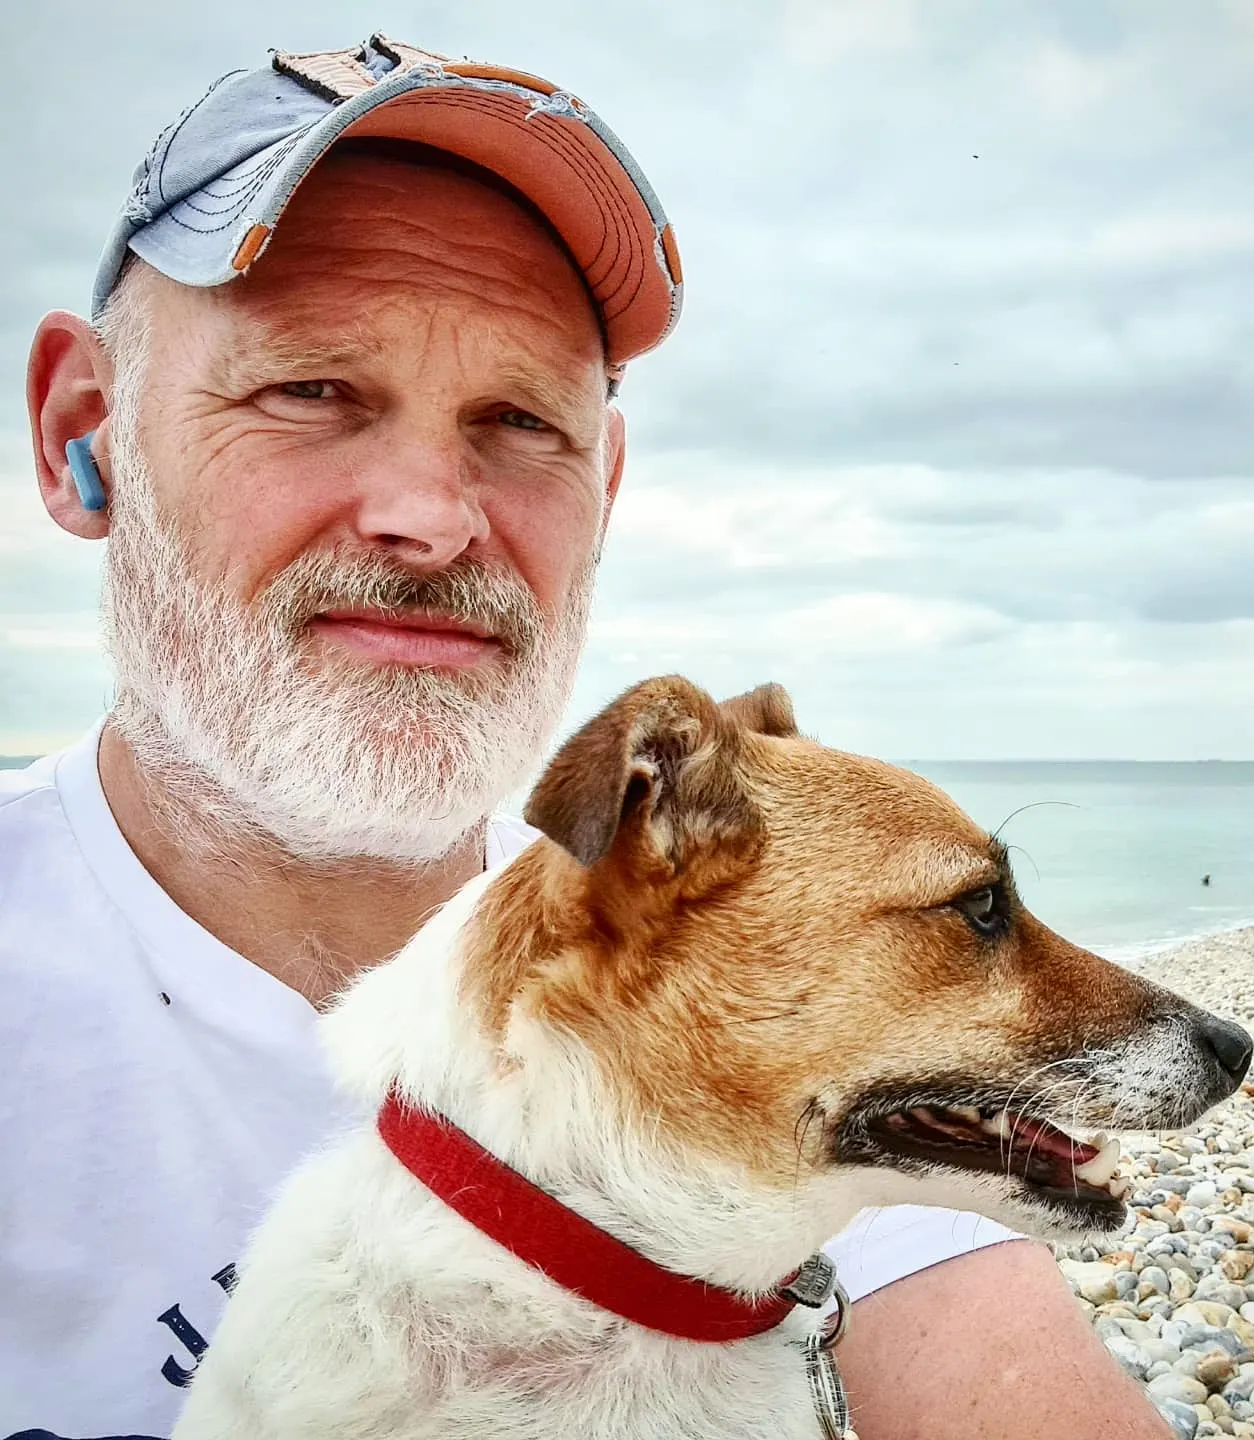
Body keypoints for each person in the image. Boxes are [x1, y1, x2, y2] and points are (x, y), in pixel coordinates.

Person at [0, 34, 1168, 1440]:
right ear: (84, 434)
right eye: (309, 390)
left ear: (604, 485)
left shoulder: (730, 1002)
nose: (431, 515)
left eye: (519, 420)